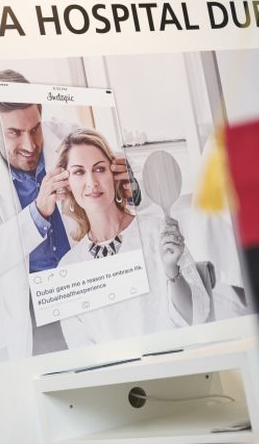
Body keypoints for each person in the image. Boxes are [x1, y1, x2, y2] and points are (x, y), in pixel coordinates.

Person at [0, 69, 134, 357]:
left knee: (113, 356)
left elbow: (119, 197)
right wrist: (38, 212)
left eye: (34, 129)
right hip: (38, 302)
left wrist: (129, 185)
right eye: (14, 133)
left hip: (90, 278)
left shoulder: (69, 138)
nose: (30, 145)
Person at [55, 128, 212, 347]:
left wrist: (172, 270)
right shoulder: (69, 267)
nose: (92, 182)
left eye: (99, 169)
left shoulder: (158, 233)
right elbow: (81, 349)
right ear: (67, 183)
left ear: (115, 174)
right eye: (79, 172)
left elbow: (197, 317)